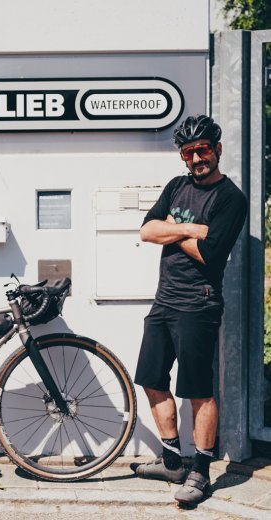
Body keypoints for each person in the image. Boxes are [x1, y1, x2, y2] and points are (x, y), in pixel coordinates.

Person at [131, 115, 247, 506]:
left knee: (198, 390)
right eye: (188, 152)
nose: (196, 157)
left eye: (202, 149)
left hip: (199, 304)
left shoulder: (231, 198)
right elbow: (147, 230)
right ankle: (172, 460)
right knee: (150, 378)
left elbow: (210, 256)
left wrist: (172, 228)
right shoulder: (177, 186)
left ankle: (200, 469)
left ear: (217, 149)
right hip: (164, 301)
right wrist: (192, 229)